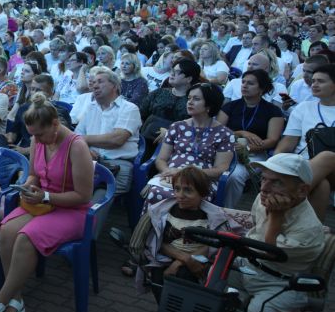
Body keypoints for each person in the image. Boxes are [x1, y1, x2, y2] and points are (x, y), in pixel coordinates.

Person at [0, 94, 93, 312]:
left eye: (39, 134)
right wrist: (30, 183)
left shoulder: (77, 146)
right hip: (43, 203)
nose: (34, 139)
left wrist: (45, 195)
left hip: (72, 210)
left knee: (26, 237)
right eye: (32, 134)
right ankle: (17, 300)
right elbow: (35, 173)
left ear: (55, 124)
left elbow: (84, 196)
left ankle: (0, 301)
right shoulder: (38, 140)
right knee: (6, 230)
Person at [223, 154, 325, 312]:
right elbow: (254, 226)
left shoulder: (308, 230)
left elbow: (267, 251)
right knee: (215, 282)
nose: (265, 188)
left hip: (281, 281)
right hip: (250, 266)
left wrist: (276, 218)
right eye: (264, 179)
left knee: (261, 310)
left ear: (301, 191)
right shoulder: (263, 198)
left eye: (277, 182)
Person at [138, 166, 236, 303]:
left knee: (185, 276)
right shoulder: (165, 212)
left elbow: (213, 245)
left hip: (198, 262)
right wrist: (184, 258)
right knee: (157, 276)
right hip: (165, 258)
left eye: (188, 190)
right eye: (177, 189)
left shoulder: (212, 218)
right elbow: (158, 242)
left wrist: (180, 263)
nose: (180, 195)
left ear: (202, 193)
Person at [143, 83, 235, 210]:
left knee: (190, 197)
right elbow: (161, 160)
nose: (189, 102)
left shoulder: (224, 134)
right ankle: (151, 229)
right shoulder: (177, 127)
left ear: (209, 104)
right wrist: (167, 172)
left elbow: (221, 169)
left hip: (201, 180)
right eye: (189, 98)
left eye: (196, 99)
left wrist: (185, 174)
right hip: (171, 177)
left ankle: (185, 229)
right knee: (157, 192)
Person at [275, 63, 335, 220]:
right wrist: (275, 163)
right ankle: (312, 234)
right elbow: (287, 143)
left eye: (321, 81)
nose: (314, 84)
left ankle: (280, 199)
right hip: (304, 166)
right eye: (313, 80)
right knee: (322, 186)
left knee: (328, 156)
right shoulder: (304, 107)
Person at [217, 70, 285, 208]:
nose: (244, 86)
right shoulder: (230, 106)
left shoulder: (273, 111)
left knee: (235, 176)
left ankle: (226, 211)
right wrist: (242, 133)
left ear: (262, 88)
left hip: (256, 154)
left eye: (250, 83)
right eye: (243, 82)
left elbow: (272, 140)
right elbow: (218, 131)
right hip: (226, 150)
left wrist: (247, 148)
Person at [75, 67, 141, 196]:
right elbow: (76, 137)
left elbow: (116, 139)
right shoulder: (91, 108)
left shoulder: (129, 108)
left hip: (117, 165)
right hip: (89, 161)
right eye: (93, 83)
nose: (95, 86)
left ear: (115, 86)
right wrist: (86, 150)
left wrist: (85, 139)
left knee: (96, 199)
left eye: (100, 82)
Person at [139, 58, 202, 144]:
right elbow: (141, 115)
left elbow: (196, 129)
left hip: (176, 145)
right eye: (172, 70)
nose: (172, 74)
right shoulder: (158, 93)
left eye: (177, 72)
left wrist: (170, 133)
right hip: (144, 141)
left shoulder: (195, 102)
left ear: (189, 79)